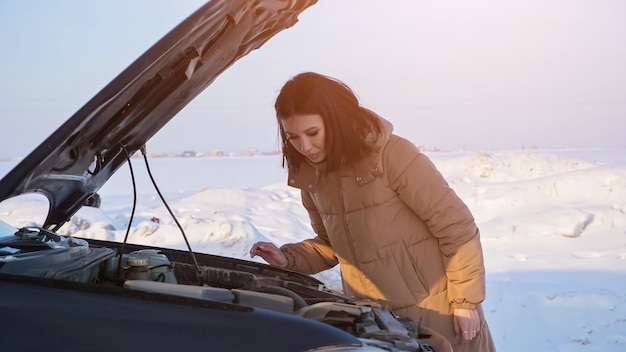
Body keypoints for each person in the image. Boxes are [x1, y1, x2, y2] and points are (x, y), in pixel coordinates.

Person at [249, 72, 496, 351]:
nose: (305, 146)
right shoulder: (313, 177)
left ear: (336, 121)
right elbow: (332, 244)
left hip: (440, 317)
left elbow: (457, 227)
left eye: (312, 132)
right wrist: (287, 257)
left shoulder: (393, 155)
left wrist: (465, 303)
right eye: (293, 136)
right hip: (377, 324)